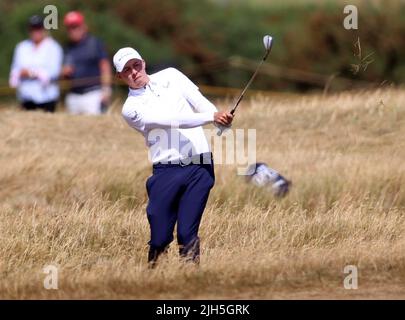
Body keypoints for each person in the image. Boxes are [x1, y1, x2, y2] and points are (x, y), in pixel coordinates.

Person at [113, 47, 233, 267]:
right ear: (120, 76)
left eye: (136, 65)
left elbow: (200, 102)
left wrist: (219, 118)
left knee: (187, 234)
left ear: (143, 62)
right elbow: (170, 119)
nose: (134, 72)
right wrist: (210, 117)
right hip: (166, 169)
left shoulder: (171, 75)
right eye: (127, 70)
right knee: (159, 238)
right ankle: (154, 279)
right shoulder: (130, 108)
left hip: (200, 164)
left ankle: (190, 283)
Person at [61, 11, 112, 115]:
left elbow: (105, 66)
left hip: (93, 95)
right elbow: (63, 73)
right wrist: (63, 72)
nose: (72, 30)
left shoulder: (95, 43)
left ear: (83, 26)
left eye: (75, 26)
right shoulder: (67, 47)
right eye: (69, 27)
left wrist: (106, 90)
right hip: (73, 95)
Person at [9, 15, 63, 112]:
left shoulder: (53, 47)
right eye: (32, 29)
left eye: (38, 28)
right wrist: (36, 73)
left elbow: (53, 72)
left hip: (47, 99)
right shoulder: (21, 47)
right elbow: (15, 69)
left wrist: (29, 73)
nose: (35, 31)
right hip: (26, 98)